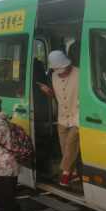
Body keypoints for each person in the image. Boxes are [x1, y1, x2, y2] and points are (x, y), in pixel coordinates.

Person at [38, 50, 80, 186]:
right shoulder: (54, 76)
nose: (57, 70)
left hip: (76, 116)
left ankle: (65, 174)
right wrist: (49, 93)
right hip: (62, 116)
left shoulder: (79, 73)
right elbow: (58, 95)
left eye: (58, 67)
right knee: (64, 146)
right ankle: (74, 173)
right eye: (55, 68)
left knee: (71, 144)